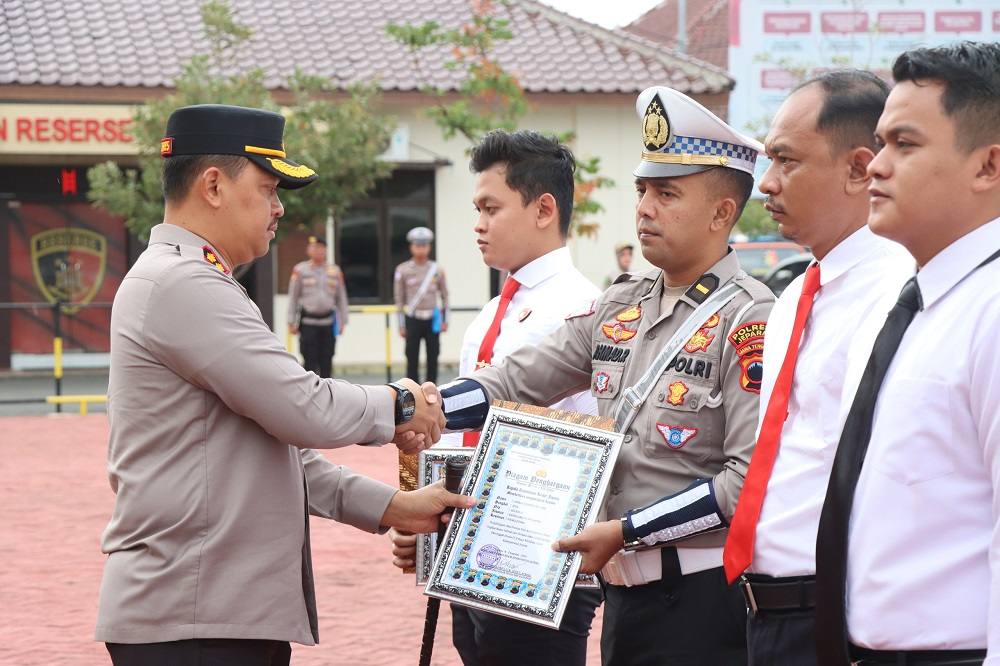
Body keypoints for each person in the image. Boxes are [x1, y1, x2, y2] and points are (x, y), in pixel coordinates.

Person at [95, 104, 475, 666]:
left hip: (212, 608)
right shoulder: (182, 282)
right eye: (269, 189)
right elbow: (303, 406)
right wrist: (399, 404)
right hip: (194, 614)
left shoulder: (191, 279)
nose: (278, 208)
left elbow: (276, 454)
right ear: (213, 186)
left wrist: (394, 506)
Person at [438, 86, 775, 665]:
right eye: (642, 190)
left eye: (667, 193)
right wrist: (422, 407)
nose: (644, 208)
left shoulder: (750, 318)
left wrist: (627, 531)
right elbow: (515, 381)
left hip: (701, 604)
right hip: (626, 600)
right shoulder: (621, 303)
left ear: (722, 212)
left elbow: (744, 484)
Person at [811, 42, 1000, 666]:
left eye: (905, 144)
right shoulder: (914, 304)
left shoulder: (991, 310)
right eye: (880, 142)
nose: (877, 166)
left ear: (988, 165)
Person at [717, 70, 912, 666]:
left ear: (859, 169)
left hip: (834, 612)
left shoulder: (898, 294)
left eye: (787, 160)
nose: (767, 183)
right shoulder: (797, 296)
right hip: (765, 609)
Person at [390, 130, 603, 665]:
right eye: (477, 210)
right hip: (477, 551)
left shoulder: (582, 310)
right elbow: (470, 439)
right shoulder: (491, 312)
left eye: (492, 208)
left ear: (544, 209)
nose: (478, 224)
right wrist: (425, 520)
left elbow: (588, 443)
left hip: (539, 563)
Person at [287, 235, 349, 378]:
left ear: (326, 250)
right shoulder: (300, 270)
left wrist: (343, 321)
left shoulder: (334, 271)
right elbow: (293, 297)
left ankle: (328, 391)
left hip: (328, 323)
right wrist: (291, 321)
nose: (317, 251)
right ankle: (310, 390)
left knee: (327, 361)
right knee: (309, 362)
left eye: (320, 248)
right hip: (308, 323)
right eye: (314, 247)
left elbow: (341, 297)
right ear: (308, 250)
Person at [394, 226, 449, 383]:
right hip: (413, 318)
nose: (421, 249)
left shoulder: (437, 270)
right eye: (417, 245)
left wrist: (445, 320)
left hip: (432, 319)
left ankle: (432, 388)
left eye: (424, 245)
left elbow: (445, 296)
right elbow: (399, 299)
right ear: (411, 247)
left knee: (433, 356)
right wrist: (401, 324)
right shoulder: (403, 270)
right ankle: (412, 390)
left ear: (429, 247)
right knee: (411, 357)